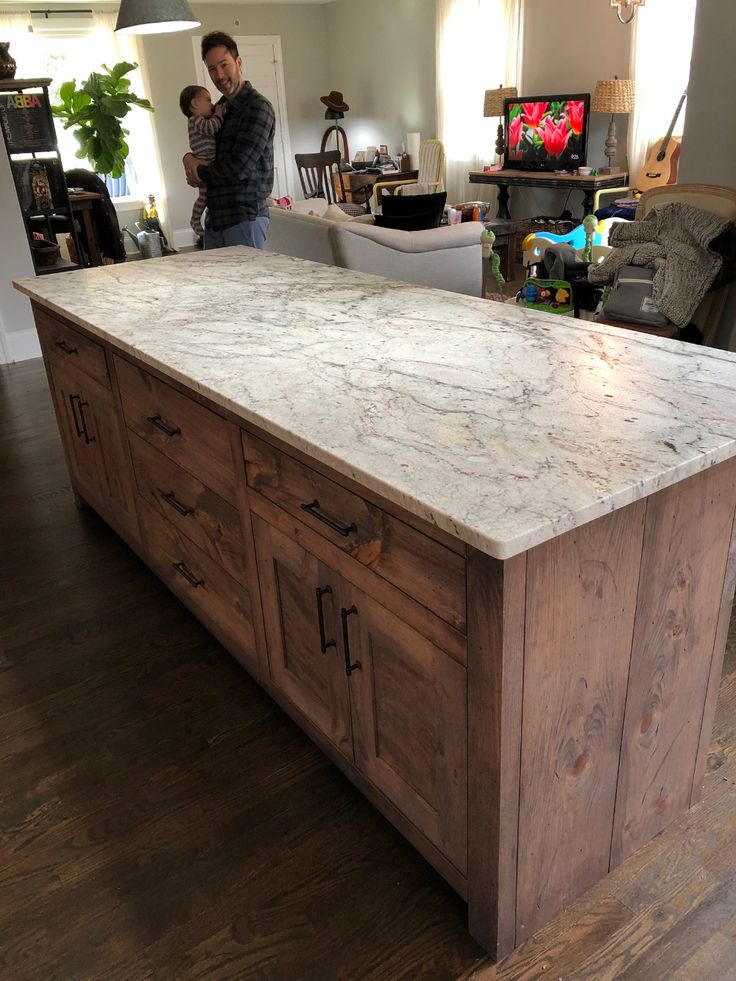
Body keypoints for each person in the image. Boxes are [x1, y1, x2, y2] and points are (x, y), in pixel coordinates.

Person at [183, 32, 275, 250]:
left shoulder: (258, 107)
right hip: (215, 219)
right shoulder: (219, 109)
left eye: (224, 65)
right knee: (217, 285)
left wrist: (198, 170)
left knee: (249, 284)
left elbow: (238, 168)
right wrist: (188, 158)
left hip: (244, 219)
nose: (220, 75)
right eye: (212, 69)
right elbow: (203, 145)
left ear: (239, 62)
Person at [179, 84, 224, 239]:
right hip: (205, 161)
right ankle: (195, 220)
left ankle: (196, 220)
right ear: (195, 104)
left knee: (205, 196)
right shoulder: (195, 120)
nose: (212, 105)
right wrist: (218, 114)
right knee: (203, 196)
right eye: (208, 100)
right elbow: (211, 128)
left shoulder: (198, 120)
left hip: (208, 161)